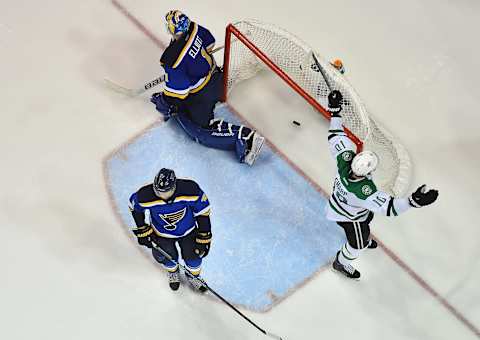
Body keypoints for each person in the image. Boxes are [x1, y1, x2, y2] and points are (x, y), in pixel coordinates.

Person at [325, 90, 439, 279]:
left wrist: (335, 111)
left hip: (345, 205)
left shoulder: (344, 158)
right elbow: (391, 208)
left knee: (367, 219)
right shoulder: (365, 192)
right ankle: (341, 262)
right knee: (357, 244)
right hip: (348, 217)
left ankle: (364, 236)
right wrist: (414, 201)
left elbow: (335, 135)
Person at [150, 10, 264, 166]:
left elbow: (179, 93)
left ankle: (246, 138)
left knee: (198, 130)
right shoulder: (194, 28)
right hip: (219, 80)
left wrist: (165, 102)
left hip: (202, 96)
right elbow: (210, 43)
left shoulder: (172, 59)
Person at [128, 168, 212, 291]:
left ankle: (194, 276)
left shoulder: (190, 190)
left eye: (166, 193)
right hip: (161, 233)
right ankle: (173, 272)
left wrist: (204, 234)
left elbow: (203, 211)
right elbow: (134, 208)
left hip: (188, 231)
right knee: (167, 258)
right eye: (159, 192)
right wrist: (142, 229)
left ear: (174, 187)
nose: (162, 196)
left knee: (194, 258)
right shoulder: (145, 196)